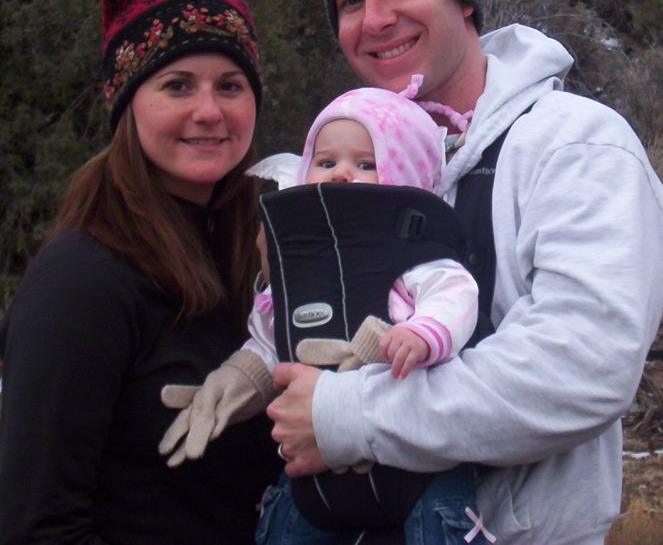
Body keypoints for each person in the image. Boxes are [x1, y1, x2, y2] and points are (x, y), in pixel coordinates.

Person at [267, 0, 663, 544]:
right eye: (350, 1)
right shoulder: (341, 166)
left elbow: (579, 365)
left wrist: (348, 415)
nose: (375, 19)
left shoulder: (574, 144)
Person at [0, 0, 281, 544]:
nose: (209, 110)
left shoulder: (261, 255)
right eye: (178, 85)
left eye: (230, 85)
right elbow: (40, 529)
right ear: (128, 103)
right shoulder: (82, 281)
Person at [158, 78, 482, 543]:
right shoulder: (300, 263)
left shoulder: (412, 250)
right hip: (315, 475)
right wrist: (236, 380)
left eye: (366, 164)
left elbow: (455, 294)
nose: (340, 173)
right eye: (326, 162)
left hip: (418, 468)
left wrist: (421, 333)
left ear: (408, 173)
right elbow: (273, 336)